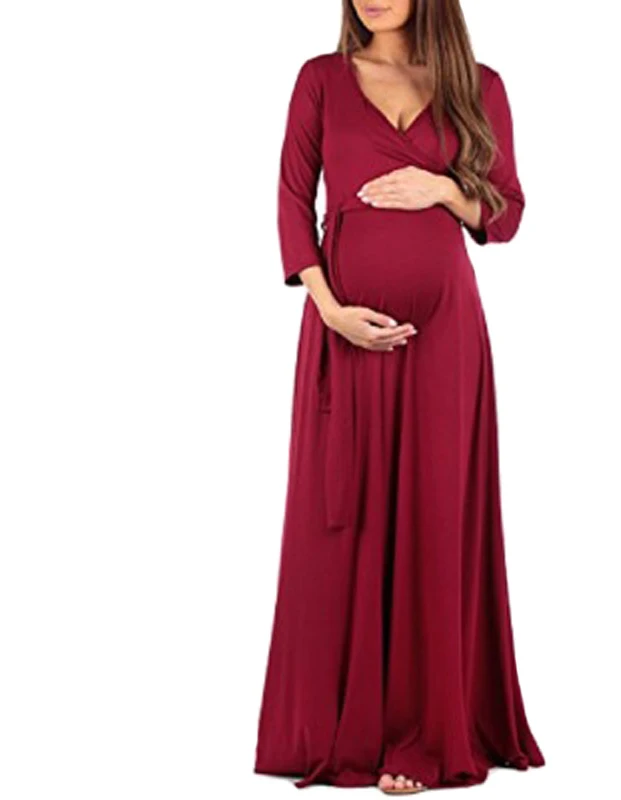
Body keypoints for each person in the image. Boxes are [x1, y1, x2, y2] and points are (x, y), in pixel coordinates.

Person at [253, 0, 545, 793]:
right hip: (344, 328)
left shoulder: (479, 86)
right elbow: (291, 200)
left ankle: (424, 734)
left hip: (447, 336)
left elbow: (506, 213)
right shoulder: (320, 80)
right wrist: (329, 309)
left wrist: (444, 189)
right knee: (339, 514)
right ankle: (343, 729)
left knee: (434, 518)